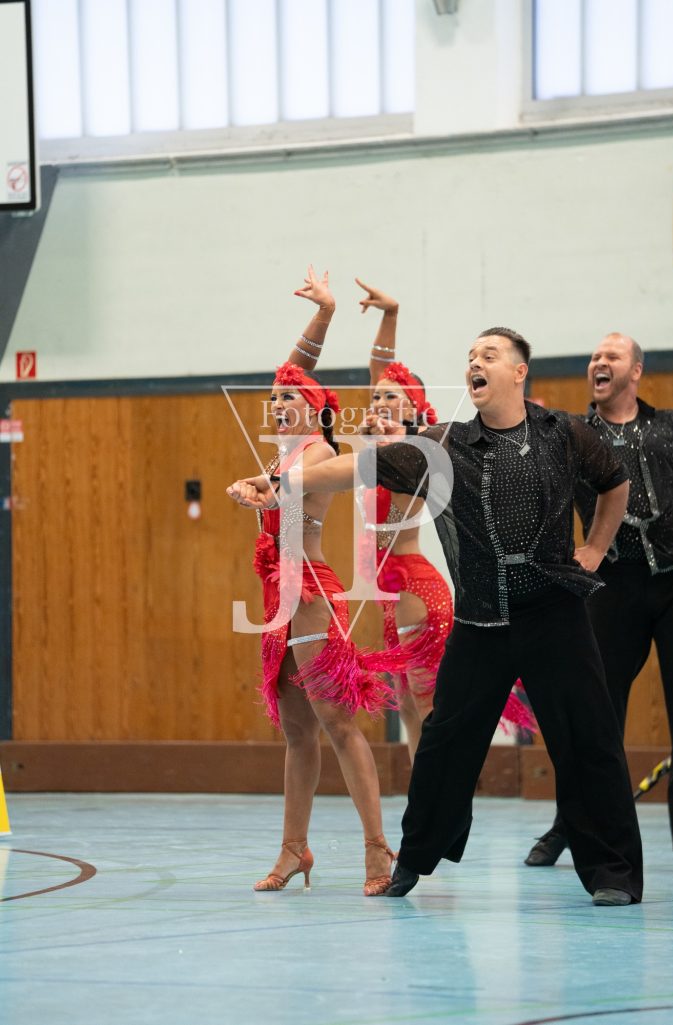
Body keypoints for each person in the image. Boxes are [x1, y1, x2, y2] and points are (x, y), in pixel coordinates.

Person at [229, 327, 644, 906]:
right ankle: (413, 861)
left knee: (588, 741)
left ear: (518, 371)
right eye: (471, 356)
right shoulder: (443, 443)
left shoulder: (564, 432)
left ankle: (612, 873)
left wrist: (596, 547)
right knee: (444, 744)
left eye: (489, 355)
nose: (476, 362)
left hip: (555, 616)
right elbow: (354, 468)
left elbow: (615, 483)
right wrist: (277, 481)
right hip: (481, 622)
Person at [227, 267, 399, 896]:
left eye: (289, 399)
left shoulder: (320, 454)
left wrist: (260, 489)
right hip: (279, 597)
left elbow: (287, 488)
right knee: (297, 732)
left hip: (310, 597)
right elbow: (292, 371)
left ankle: (378, 850)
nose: (278, 404)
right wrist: (323, 313)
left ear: (317, 410)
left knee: (338, 725)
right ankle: (294, 848)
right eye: (273, 400)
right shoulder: (281, 455)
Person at [355, 280, 534, 760]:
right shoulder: (382, 446)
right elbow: (381, 372)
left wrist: (386, 442)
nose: (379, 404)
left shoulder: (416, 450)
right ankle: (424, 797)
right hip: (391, 594)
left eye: (390, 398)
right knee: (408, 709)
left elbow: (397, 496)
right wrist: (390, 315)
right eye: (375, 399)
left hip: (415, 587)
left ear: (413, 408)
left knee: (429, 706)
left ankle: (447, 789)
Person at [525, 332, 673, 867]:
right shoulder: (571, 433)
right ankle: (571, 825)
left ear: (635, 370)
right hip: (611, 582)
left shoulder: (671, 425)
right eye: (595, 356)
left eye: (611, 356)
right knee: (594, 714)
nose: (599, 361)